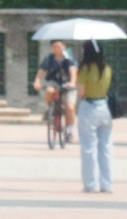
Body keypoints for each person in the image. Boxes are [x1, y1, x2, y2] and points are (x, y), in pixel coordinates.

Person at [75, 40, 116, 194]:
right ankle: (107, 184)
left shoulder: (85, 69)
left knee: (88, 147)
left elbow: (81, 92)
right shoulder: (107, 68)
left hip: (89, 107)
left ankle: (91, 184)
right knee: (106, 147)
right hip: (104, 107)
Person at [38, 40, 78, 140]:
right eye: (54, 47)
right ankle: (49, 109)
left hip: (68, 84)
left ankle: (69, 130)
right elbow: (41, 71)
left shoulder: (69, 58)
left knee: (70, 107)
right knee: (49, 91)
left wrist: (72, 82)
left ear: (64, 47)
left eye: (59, 47)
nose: (56, 49)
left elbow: (73, 71)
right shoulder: (49, 59)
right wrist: (37, 81)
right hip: (54, 82)